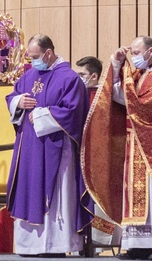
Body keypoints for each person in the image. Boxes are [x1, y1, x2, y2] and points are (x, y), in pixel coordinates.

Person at [83, 36, 152, 261]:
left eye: (135, 52)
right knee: (134, 197)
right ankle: (138, 246)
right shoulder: (138, 76)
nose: (133, 57)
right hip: (136, 145)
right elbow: (118, 96)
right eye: (131, 52)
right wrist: (115, 63)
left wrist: (142, 116)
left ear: (150, 51)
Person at [5, 35, 92, 256]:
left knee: (56, 193)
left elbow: (74, 112)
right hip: (30, 149)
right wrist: (18, 103)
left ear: (48, 53)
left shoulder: (69, 79)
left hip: (57, 149)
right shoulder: (28, 76)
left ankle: (55, 246)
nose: (32, 62)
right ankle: (30, 246)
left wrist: (43, 115)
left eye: (35, 57)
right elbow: (12, 96)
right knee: (29, 189)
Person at [75, 56, 121, 251]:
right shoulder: (77, 95)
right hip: (79, 157)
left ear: (94, 76)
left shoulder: (102, 96)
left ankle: (98, 241)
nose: (78, 79)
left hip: (100, 159)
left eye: (82, 75)